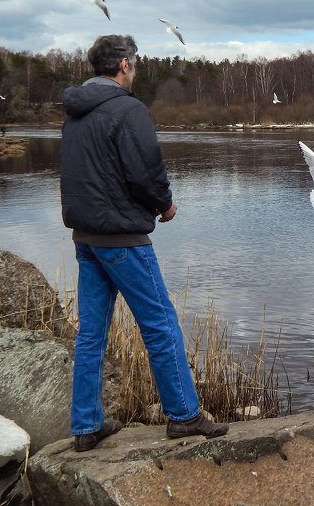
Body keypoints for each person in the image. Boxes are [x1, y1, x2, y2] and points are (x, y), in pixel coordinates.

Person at [60, 34, 228, 452]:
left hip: (87, 237)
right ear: (123, 65)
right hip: (122, 239)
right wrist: (164, 204)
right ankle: (185, 416)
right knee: (160, 325)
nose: (135, 70)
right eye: (134, 63)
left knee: (91, 335)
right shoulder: (127, 109)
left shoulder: (76, 112)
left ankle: (85, 426)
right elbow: (145, 170)